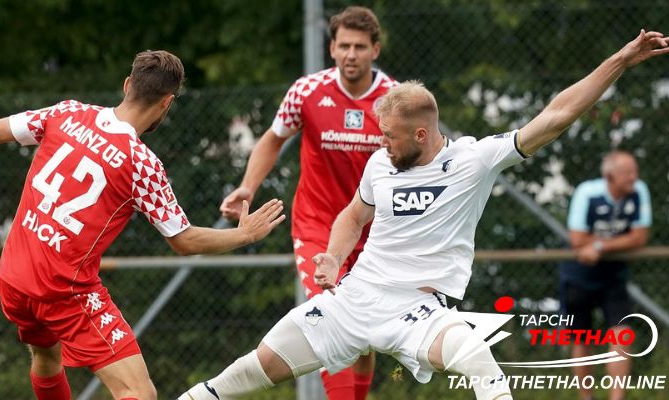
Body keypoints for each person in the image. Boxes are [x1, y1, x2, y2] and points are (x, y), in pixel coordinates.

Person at [180, 30, 669, 400]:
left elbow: (557, 114)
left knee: (476, 355)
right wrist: (331, 258)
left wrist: (621, 60)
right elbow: (352, 217)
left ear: (420, 135)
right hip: (354, 300)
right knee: (251, 368)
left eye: (389, 135)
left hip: (418, 312)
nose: (380, 143)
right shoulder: (380, 162)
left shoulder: (474, 160)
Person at [0, 50, 286, 400]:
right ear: (167, 103)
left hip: (14, 276)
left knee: (47, 357)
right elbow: (184, 240)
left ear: (127, 85)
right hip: (63, 290)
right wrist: (245, 234)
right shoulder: (142, 163)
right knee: (138, 392)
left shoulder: (67, 113)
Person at [218, 7, 396, 398]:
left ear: (375, 50)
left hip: (374, 231)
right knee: (334, 316)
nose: (351, 54)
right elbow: (272, 139)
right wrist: (249, 186)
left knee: (364, 335)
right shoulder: (307, 91)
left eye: (360, 47)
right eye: (344, 45)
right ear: (331, 48)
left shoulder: (393, 100)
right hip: (316, 224)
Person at [561, 150, 651, 400]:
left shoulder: (638, 191)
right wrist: (619, 240)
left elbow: (640, 236)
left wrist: (599, 246)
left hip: (613, 275)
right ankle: (586, 397)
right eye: (627, 173)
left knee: (621, 332)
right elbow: (577, 239)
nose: (634, 177)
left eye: (635, 171)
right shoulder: (587, 193)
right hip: (578, 275)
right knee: (581, 337)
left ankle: (617, 398)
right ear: (610, 176)